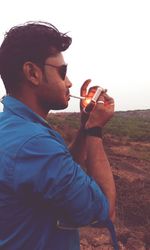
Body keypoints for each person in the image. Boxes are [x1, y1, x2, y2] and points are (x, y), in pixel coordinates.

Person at [0, 21, 116, 250]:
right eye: (62, 72)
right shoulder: (34, 145)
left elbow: (54, 179)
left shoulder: (14, 128)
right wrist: (94, 130)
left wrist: (84, 127)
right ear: (32, 73)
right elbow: (105, 211)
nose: (70, 83)